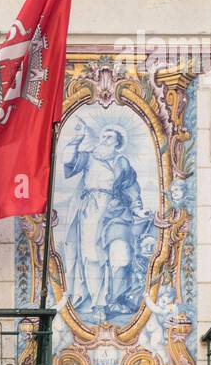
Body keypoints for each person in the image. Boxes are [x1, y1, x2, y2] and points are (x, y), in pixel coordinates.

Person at [62, 119, 153, 320]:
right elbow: (69, 162)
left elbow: (131, 188)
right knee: (92, 257)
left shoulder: (122, 163)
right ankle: (98, 303)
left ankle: (116, 298)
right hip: (91, 210)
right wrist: (77, 139)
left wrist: (138, 209)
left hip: (116, 212)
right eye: (103, 136)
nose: (103, 139)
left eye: (109, 137)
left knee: (122, 255)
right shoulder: (90, 157)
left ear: (118, 142)